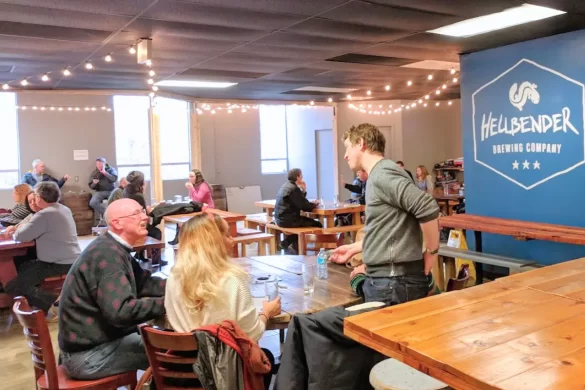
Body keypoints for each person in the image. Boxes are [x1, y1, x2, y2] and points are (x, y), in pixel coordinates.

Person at [165, 212, 280, 389]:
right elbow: (250, 335)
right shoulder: (231, 279)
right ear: (214, 242)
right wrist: (267, 313)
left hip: (181, 370)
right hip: (222, 374)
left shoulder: (174, 277)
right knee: (266, 358)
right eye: (227, 235)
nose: (232, 241)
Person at [331, 123, 440, 307]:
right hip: (392, 282)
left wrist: (432, 252)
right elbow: (392, 227)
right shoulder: (380, 173)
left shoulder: (382, 174)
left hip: (393, 284)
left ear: (361, 143)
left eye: (348, 147)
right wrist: (356, 247)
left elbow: (428, 207)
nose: (345, 155)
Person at [58, 198, 166, 380]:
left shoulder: (112, 247)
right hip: (87, 356)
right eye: (136, 213)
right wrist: (170, 302)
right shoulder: (108, 256)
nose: (145, 217)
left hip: (93, 344)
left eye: (142, 211)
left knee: (164, 343)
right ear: (117, 223)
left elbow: (145, 283)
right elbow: (121, 312)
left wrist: (183, 287)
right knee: (172, 354)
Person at [6, 182, 80, 316]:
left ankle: (54, 303)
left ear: (39, 198)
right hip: (72, 259)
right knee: (21, 268)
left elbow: (20, 236)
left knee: (12, 286)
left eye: (34, 196)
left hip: (57, 263)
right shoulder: (63, 208)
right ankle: (40, 303)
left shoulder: (44, 215)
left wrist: (15, 231)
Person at [274, 168, 321, 253]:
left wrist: (303, 190)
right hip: (288, 220)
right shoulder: (294, 188)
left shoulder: (286, 185)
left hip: (280, 219)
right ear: (297, 177)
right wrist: (315, 204)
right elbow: (304, 206)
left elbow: (298, 201)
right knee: (317, 224)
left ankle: (287, 244)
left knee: (303, 224)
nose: (302, 176)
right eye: (301, 175)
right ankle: (318, 251)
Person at [167, 169, 214, 245]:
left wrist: (191, 188)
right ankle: (178, 238)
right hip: (199, 208)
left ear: (197, 177)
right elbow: (192, 198)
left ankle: (185, 240)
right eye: (189, 176)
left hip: (207, 209)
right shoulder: (195, 186)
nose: (190, 178)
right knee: (181, 217)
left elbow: (198, 198)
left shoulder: (203, 186)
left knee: (187, 220)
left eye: (192, 176)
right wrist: (191, 189)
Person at [123, 170, 161, 240]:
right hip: (136, 224)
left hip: (128, 223)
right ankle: (147, 250)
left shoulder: (125, 191)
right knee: (157, 232)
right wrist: (148, 210)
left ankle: (141, 251)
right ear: (141, 182)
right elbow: (145, 215)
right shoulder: (138, 195)